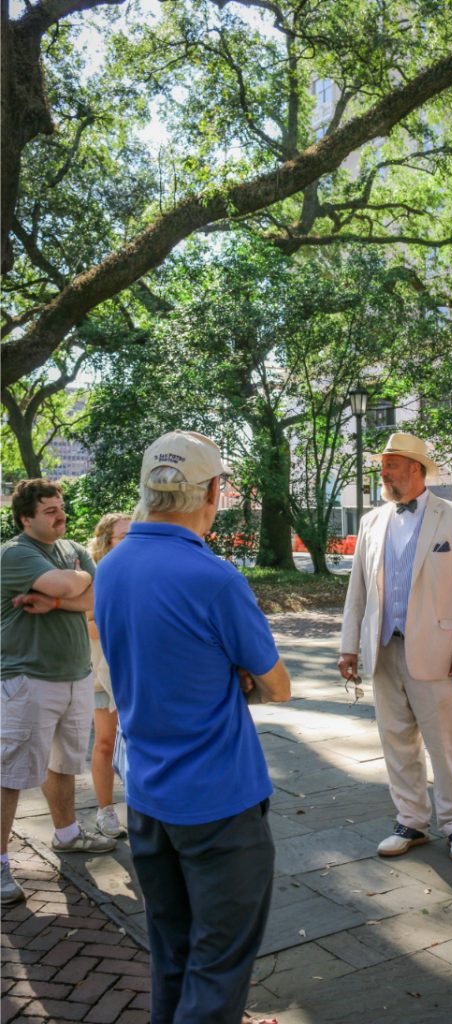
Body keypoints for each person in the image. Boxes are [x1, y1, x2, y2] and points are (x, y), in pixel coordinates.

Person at [95, 430, 291, 1024]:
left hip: (147, 793)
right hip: (218, 799)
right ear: (210, 492)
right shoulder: (215, 578)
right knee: (219, 962)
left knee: (172, 952)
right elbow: (277, 684)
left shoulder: (111, 565)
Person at [338, 432, 452, 863]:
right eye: (382, 465)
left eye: (390, 465)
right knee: (396, 739)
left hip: (439, 653)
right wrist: (350, 647)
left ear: (415, 469)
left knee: (445, 743)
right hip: (384, 649)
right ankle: (411, 820)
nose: (382, 472)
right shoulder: (371, 522)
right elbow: (358, 592)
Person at [1, 480, 116, 907]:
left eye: (60, 507)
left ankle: (67, 834)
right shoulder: (16, 553)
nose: (59, 515)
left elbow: (100, 596)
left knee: (64, 761)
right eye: (49, 510)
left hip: (75, 674)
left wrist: (55, 600)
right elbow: (77, 588)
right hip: (27, 677)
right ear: (26, 518)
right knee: (9, 772)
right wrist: (78, 582)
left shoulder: (69, 550)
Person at [87, 513, 131, 839]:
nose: (131, 541)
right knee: (104, 743)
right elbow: (86, 626)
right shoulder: (93, 577)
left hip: (135, 672)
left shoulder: (139, 574)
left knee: (138, 741)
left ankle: (144, 808)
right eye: (123, 535)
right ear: (106, 541)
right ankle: (105, 812)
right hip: (103, 674)